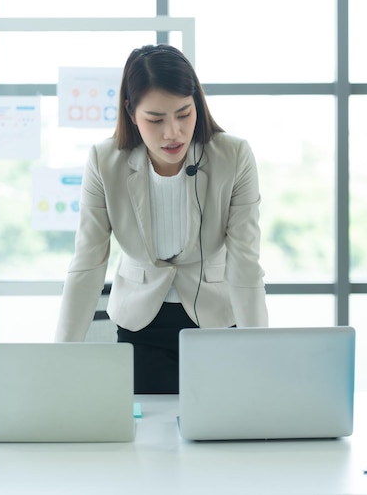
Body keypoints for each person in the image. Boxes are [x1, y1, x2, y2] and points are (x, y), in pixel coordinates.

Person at [54, 44, 268, 393]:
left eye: (184, 114)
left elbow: (245, 261)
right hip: (142, 326)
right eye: (156, 119)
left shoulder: (233, 155)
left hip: (216, 320)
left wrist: (260, 352)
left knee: (223, 430)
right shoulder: (105, 161)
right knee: (148, 436)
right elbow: (87, 263)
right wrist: (60, 358)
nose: (173, 132)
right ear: (131, 112)